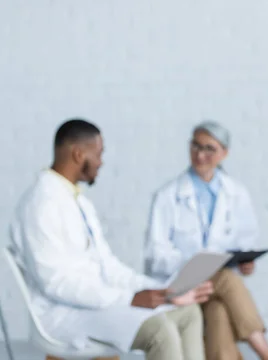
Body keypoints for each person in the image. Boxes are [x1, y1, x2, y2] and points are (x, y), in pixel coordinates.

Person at [9, 119, 213, 360]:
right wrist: (128, 299)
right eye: (98, 154)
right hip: (64, 315)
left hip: (97, 303)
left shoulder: (78, 201)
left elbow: (109, 266)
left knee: (188, 312)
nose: (101, 162)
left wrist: (159, 290)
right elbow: (56, 283)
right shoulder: (41, 203)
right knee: (159, 330)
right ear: (78, 154)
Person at [144, 121, 268, 360]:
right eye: (195, 146)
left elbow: (245, 241)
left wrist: (246, 263)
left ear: (224, 153)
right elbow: (154, 256)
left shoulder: (236, 193)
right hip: (179, 284)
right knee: (223, 277)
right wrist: (195, 264)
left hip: (215, 292)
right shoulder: (167, 196)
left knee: (218, 313)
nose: (200, 155)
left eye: (209, 148)